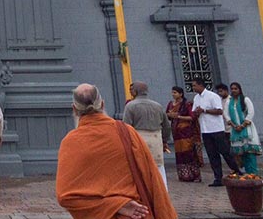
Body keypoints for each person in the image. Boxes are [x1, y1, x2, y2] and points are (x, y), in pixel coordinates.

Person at [56, 83, 177, 219]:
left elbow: (66, 197)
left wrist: (114, 205)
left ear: (74, 109)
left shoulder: (70, 142)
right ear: (102, 104)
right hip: (138, 213)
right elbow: (153, 181)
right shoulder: (127, 132)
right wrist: (119, 205)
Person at [191, 77, 241, 186]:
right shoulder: (196, 98)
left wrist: (205, 110)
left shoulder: (212, 96)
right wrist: (197, 112)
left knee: (225, 152)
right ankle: (218, 177)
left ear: (201, 85)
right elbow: (194, 111)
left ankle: (236, 170)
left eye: (194, 85)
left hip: (216, 129)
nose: (193, 87)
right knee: (212, 155)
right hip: (205, 130)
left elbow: (219, 111)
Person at [122, 81, 172, 188]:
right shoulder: (157, 106)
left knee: (139, 168)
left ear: (134, 92)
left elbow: (126, 127)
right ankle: (162, 192)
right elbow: (166, 126)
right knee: (158, 167)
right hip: (156, 140)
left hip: (138, 139)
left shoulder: (130, 106)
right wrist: (164, 141)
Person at [166, 85, 203, 182]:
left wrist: (178, 117)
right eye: (172, 92)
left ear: (181, 94)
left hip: (186, 133)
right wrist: (170, 115)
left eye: (175, 92)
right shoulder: (171, 104)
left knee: (189, 153)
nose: (173, 94)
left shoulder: (186, 104)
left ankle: (195, 175)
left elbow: (192, 117)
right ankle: (184, 175)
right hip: (176, 134)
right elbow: (168, 115)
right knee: (180, 154)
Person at [224, 82, 262, 174]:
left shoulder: (245, 99)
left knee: (250, 152)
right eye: (232, 89)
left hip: (247, 129)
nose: (233, 90)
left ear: (239, 90)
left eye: (235, 88)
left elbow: (251, 113)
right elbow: (226, 114)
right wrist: (234, 126)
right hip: (235, 130)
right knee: (241, 154)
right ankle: (246, 174)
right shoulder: (229, 102)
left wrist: (242, 125)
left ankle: (254, 174)